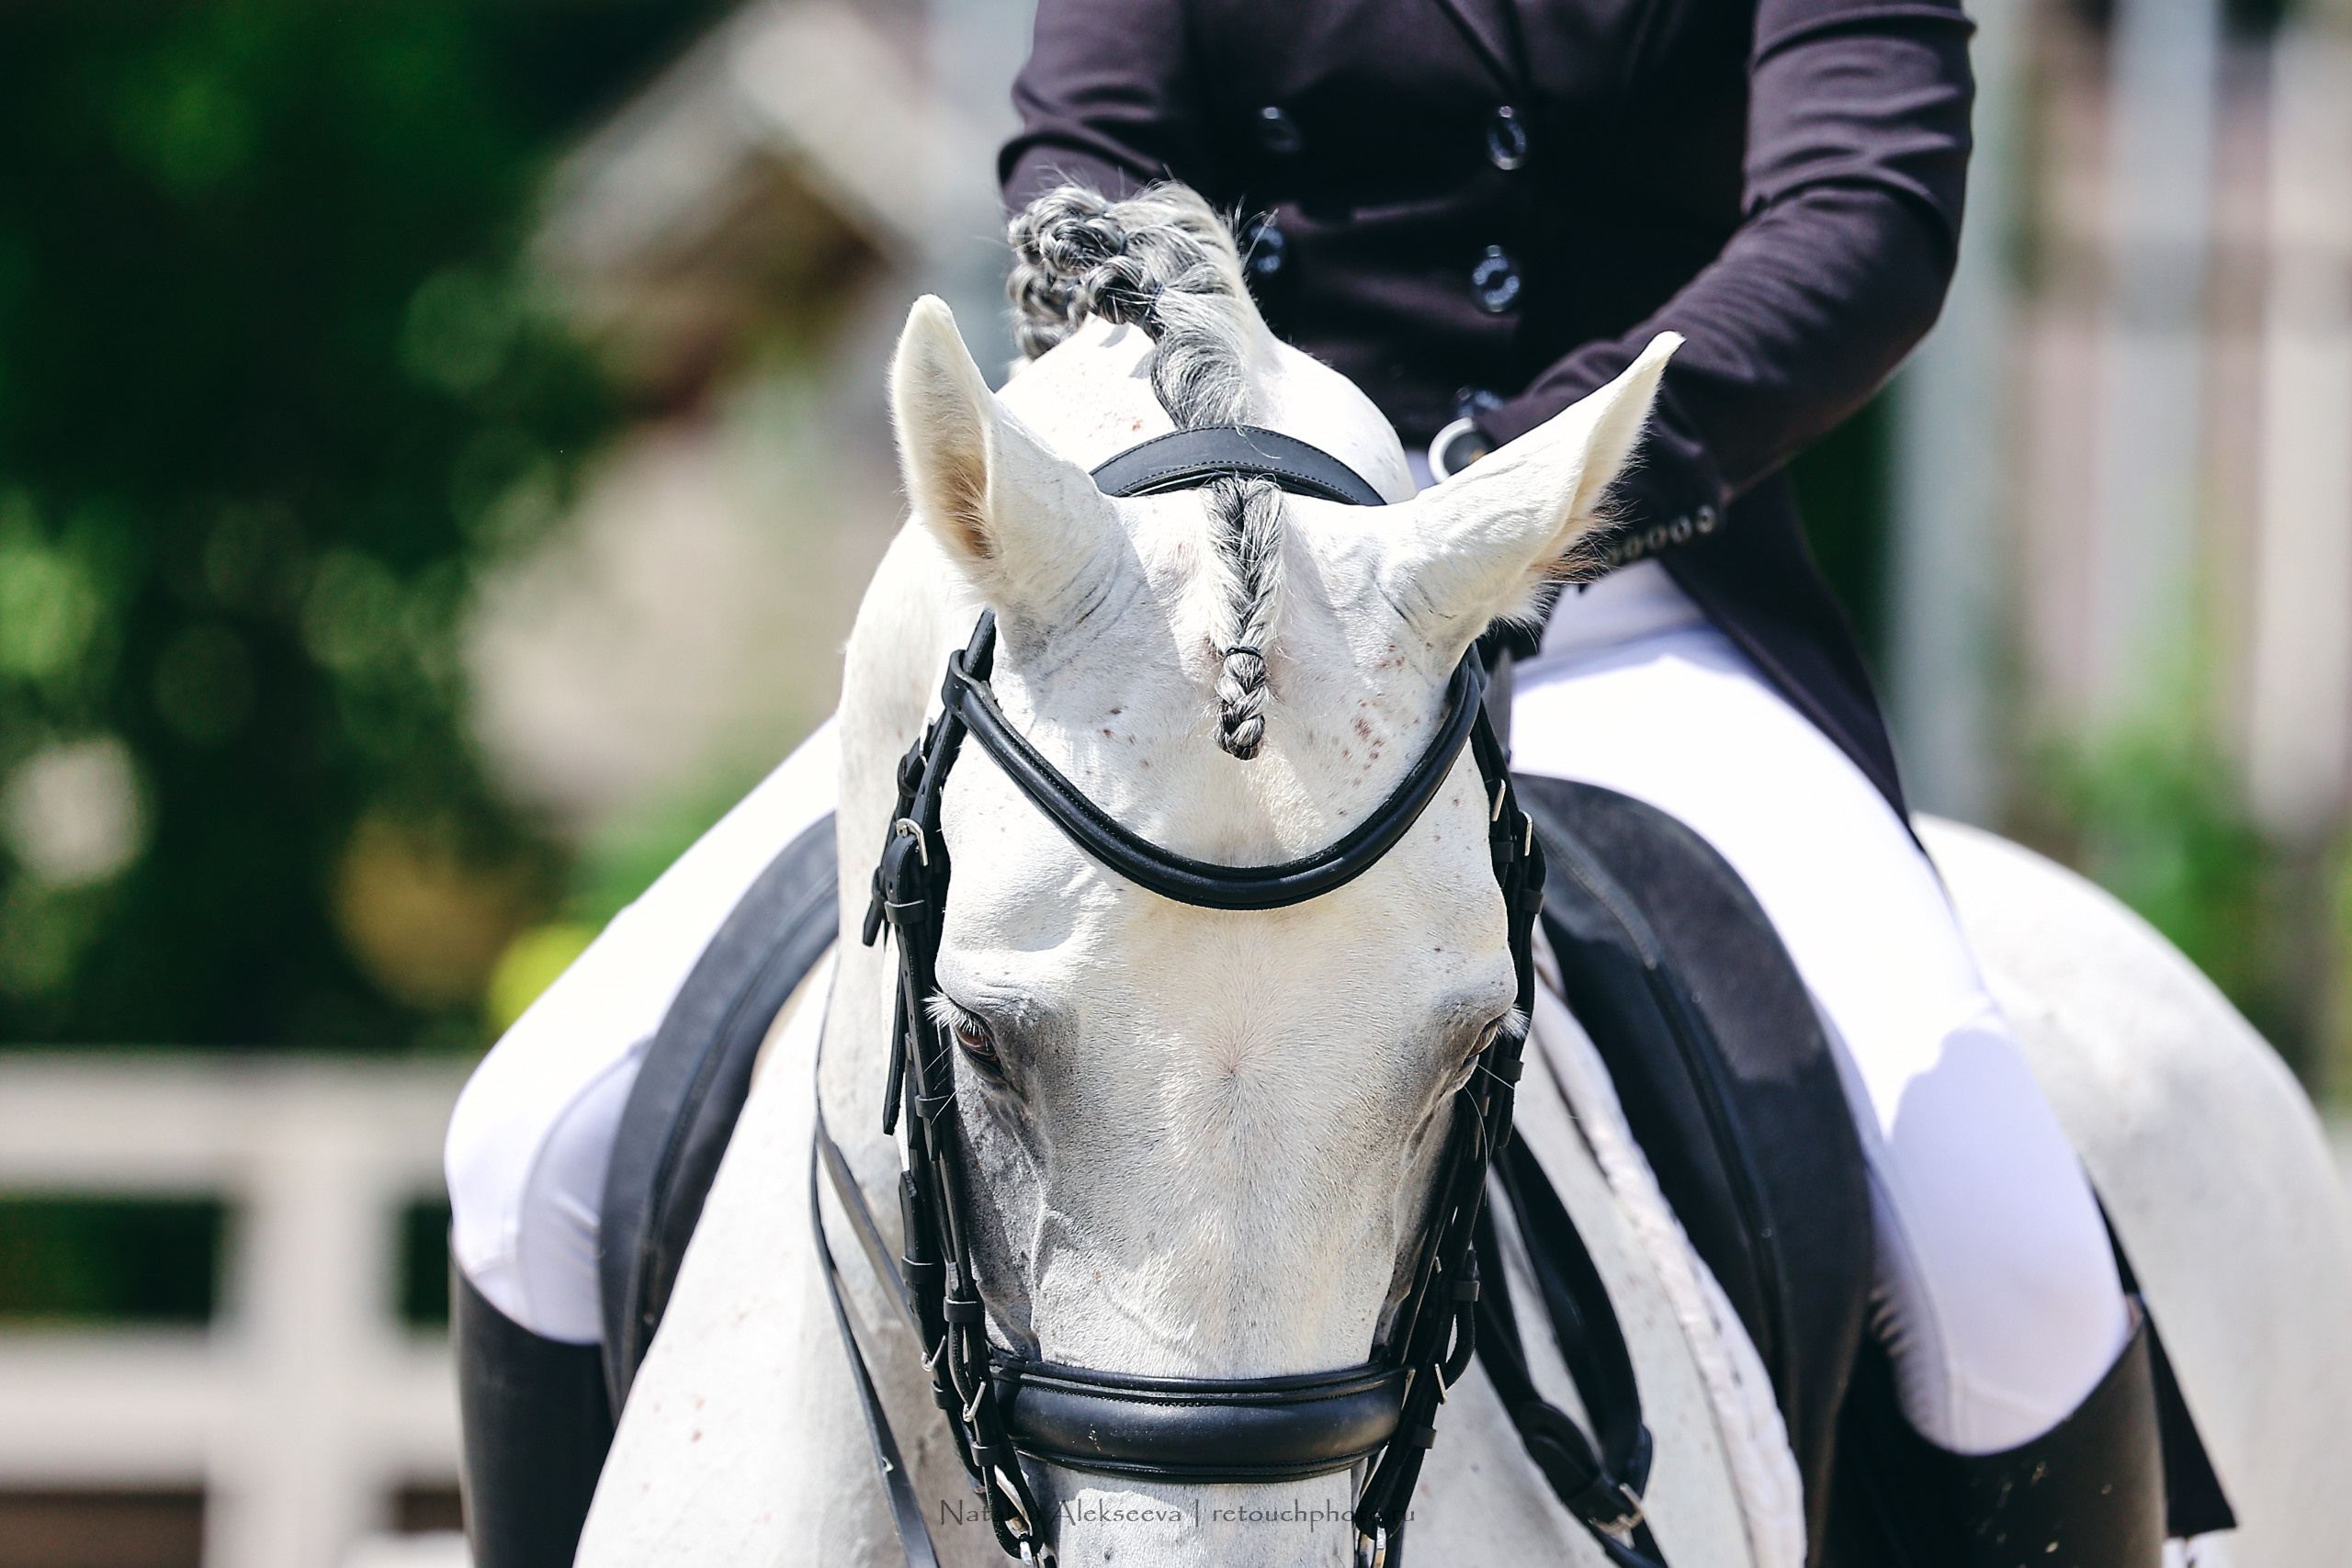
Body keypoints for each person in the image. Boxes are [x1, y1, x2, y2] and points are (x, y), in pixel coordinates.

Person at [445, 0, 2169, 1562]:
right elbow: (1089, 158)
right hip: (1170, 600)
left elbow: (1861, 214)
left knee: (2004, 1253)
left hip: (1609, 588)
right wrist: (1252, 475)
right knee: (536, 1147)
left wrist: (1478, 500)